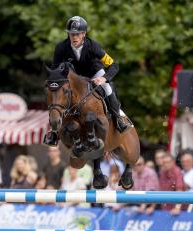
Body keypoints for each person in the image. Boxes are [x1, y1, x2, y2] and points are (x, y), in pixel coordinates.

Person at [43, 15, 130, 146]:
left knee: (108, 88)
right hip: (74, 78)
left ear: (84, 34)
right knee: (57, 94)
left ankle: (118, 119)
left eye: (77, 34)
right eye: (71, 34)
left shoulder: (92, 45)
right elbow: (56, 70)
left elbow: (114, 65)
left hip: (94, 73)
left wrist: (104, 78)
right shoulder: (61, 47)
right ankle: (54, 132)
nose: (74, 37)